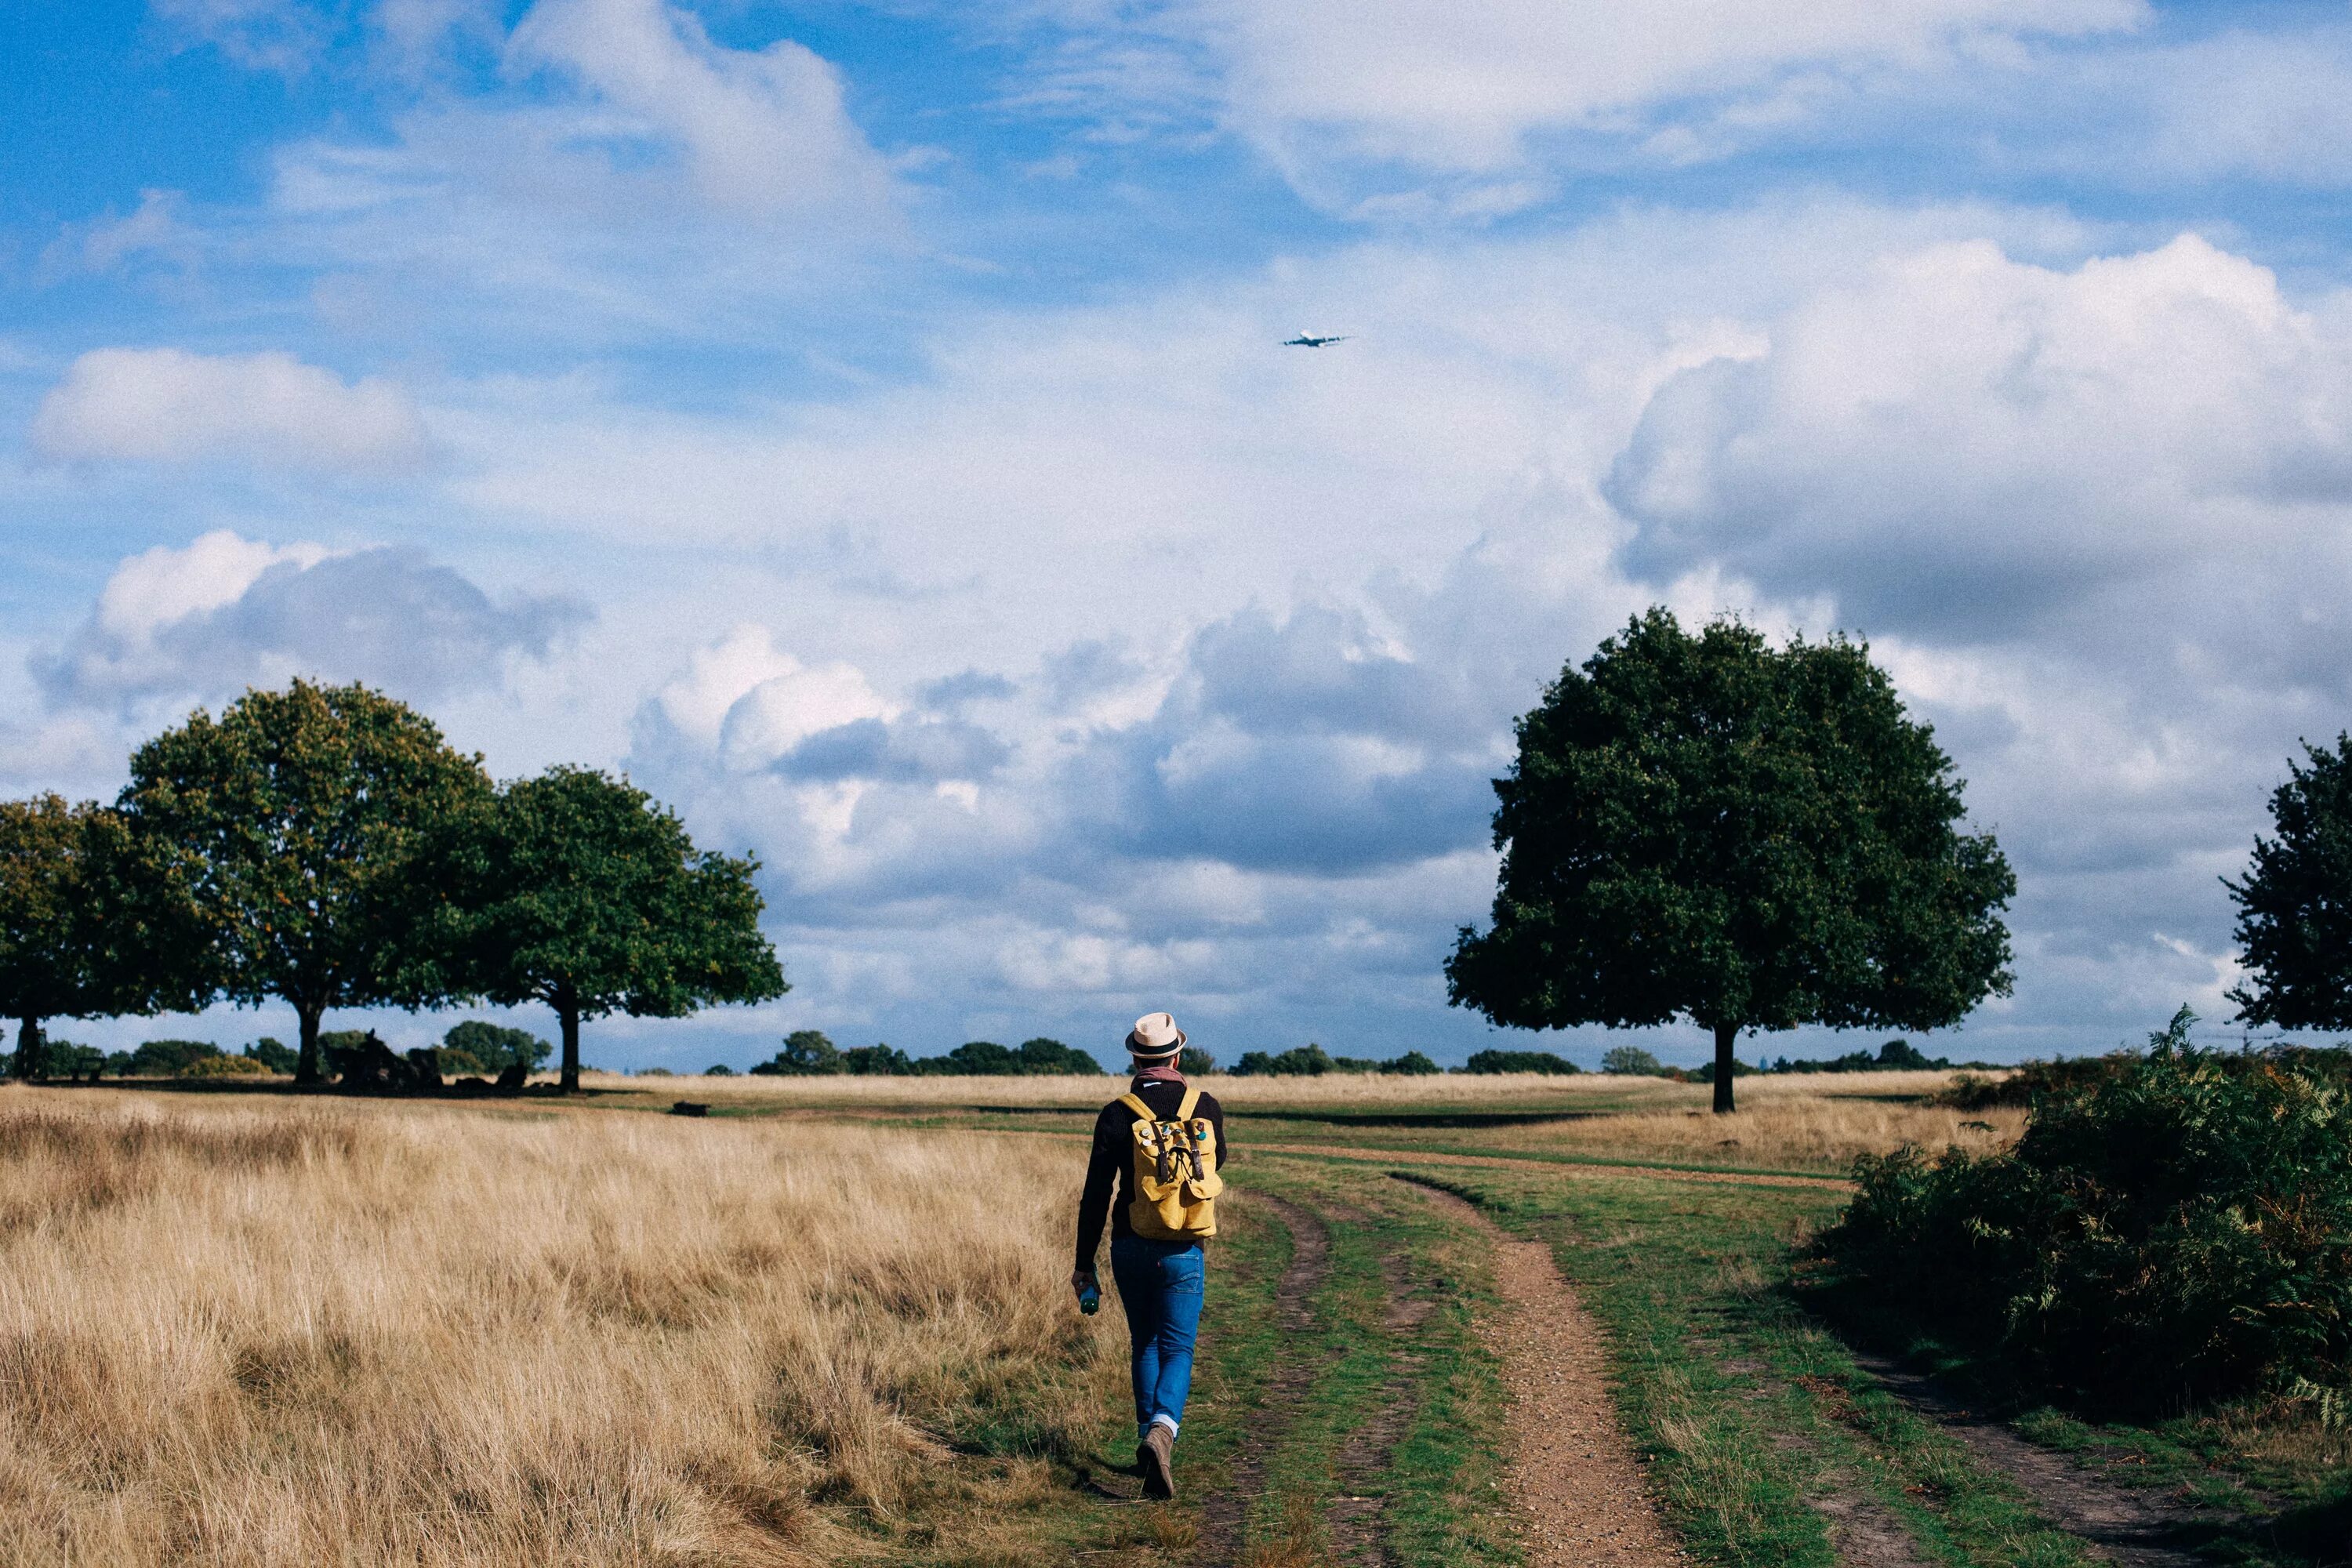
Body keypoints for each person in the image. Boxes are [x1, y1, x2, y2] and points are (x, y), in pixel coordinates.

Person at [1073, 1011, 1228, 1501]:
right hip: (1184, 1246)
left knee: (1145, 1342)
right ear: (1178, 1055)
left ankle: (1148, 1441)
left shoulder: (1117, 1113)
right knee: (1179, 1347)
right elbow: (1213, 1166)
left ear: (1136, 1059)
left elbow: (1096, 1194)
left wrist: (1083, 1263)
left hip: (1130, 1244)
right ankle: (1163, 1432)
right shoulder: (1207, 1107)